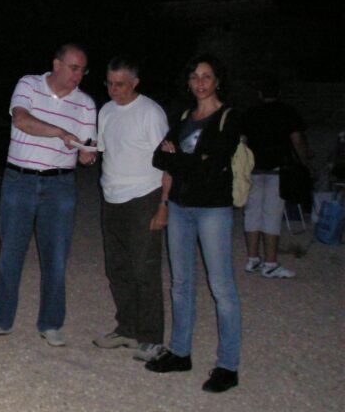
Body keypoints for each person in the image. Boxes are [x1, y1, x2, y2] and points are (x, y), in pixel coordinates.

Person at [0, 43, 97, 346]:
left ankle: (51, 323)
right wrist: (59, 132)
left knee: (56, 257)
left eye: (83, 70)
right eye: (73, 67)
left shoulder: (85, 104)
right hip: (20, 179)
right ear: (57, 64)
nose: (78, 75)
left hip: (59, 185)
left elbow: (87, 147)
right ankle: (1, 319)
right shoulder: (28, 84)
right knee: (10, 253)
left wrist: (87, 154)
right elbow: (21, 121)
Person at [148, 54, 242, 393]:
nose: (200, 83)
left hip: (212, 210)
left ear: (218, 80)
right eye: (194, 77)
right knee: (181, 283)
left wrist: (180, 159)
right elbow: (159, 157)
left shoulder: (228, 118)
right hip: (180, 207)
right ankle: (180, 351)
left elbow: (213, 163)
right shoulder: (185, 117)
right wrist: (187, 160)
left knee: (221, 287)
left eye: (206, 76)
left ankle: (228, 366)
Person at [94, 56, 169, 362]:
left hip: (144, 197)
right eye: (109, 83)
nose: (114, 90)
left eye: (120, 84)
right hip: (111, 198)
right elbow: (103, 151)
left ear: (135, 82)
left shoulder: (150, 113)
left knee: (144, 270)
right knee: (117, 268)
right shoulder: (106, 111)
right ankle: (127, 327)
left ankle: (151, 337)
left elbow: (168, 162)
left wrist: (163, 205)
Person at [242, 78, 309, 279]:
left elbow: (242, 142)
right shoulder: (288, 112)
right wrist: (305, 162)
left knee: (252, 214)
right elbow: (297, 140)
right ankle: (270, 263)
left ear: (260, 94)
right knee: (271, 215)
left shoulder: (251, 113)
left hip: (254, 169)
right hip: (277, 171)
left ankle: (252, 259)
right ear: (278, 93)